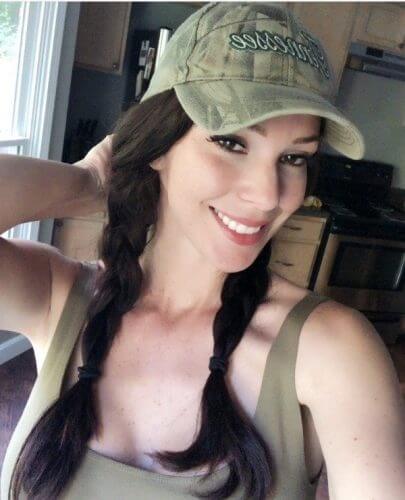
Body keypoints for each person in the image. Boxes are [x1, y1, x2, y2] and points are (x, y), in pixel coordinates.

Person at [1, 2, 404, 499]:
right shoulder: (60, 299)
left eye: (294, 157)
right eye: (231, 142)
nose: (268, 194)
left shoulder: (332, 350)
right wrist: (87, 182)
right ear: (159, 145)